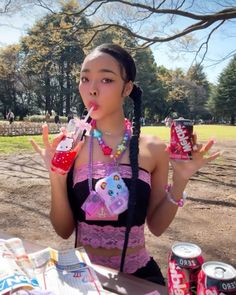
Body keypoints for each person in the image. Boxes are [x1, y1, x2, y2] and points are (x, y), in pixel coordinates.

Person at [30, 43, 220, 285]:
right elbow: (64, 230)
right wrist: (56, 176)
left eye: (106, 80)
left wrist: (180, 180)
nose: (92, 90)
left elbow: (157, 226)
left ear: (127, 88)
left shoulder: (154, 150)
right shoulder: (71, 146)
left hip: (138, 277)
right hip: (84, 280)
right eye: (85, 79)